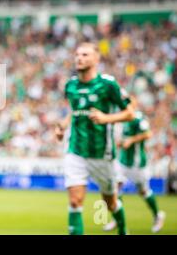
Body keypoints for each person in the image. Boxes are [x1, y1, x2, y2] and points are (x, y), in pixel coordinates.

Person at [55, 42, 135, 235]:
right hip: (76, 150)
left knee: (110, 203)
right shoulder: (71, 85)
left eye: (85, 54)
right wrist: (63, 125)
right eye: (77, 54)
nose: (79, 58)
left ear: (96, 59)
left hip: (102, 154)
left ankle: (123, 229)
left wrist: (107, 118)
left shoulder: (108, 84)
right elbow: (74, 110)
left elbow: (130, 113)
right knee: (75, 201)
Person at [103, 97, 166, 233]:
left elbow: (148, 134)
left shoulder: (138, 118)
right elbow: (122, 140)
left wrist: (131, 140)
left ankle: (157, 215)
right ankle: (117, 218)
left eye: (128, 103)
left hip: (137, 163)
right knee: (115, 189)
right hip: (123, 162)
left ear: (134, 104)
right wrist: (120, 143)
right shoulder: (123, 119)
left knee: (143, 191)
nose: (124, 105)